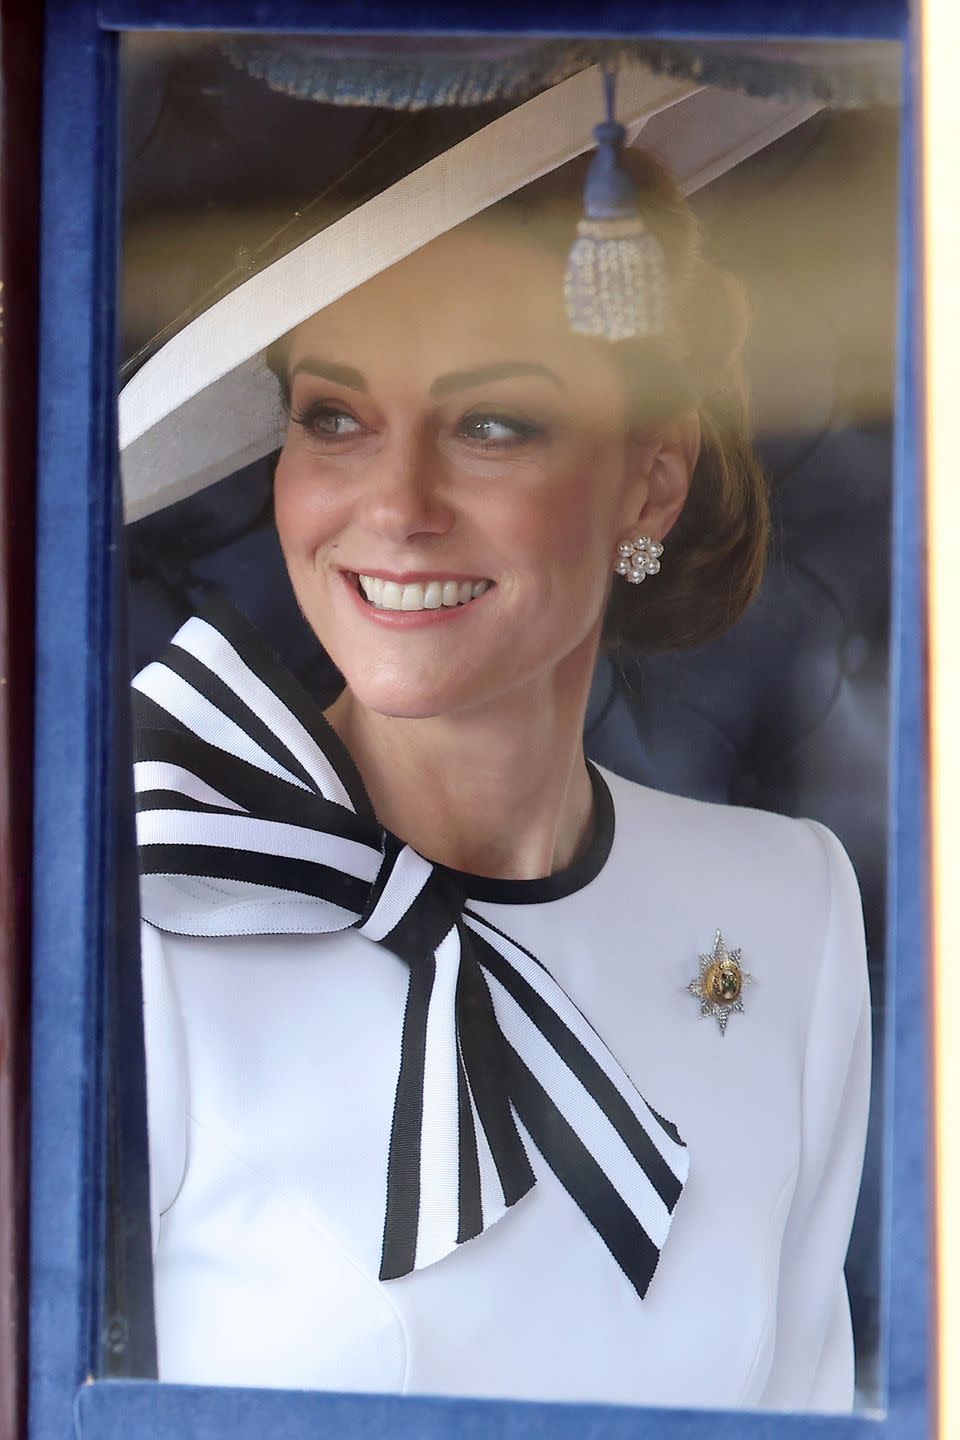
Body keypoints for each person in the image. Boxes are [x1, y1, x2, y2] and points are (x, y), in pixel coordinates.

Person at [125, 66, 870, 1412]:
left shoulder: (793, 911)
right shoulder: (152, 904)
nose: (396, 507)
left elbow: (808, 1404)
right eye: (336, 418)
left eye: (491, 424)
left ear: (651, 473)